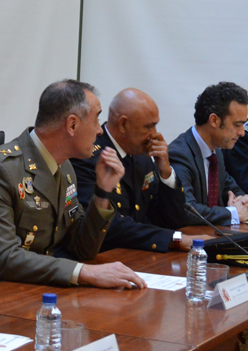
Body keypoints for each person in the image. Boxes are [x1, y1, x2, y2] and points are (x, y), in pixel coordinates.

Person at [0, 79, 147, 289]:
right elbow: (5, 258)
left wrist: (102, 192)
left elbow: (82, 248)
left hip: (33, 289)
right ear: (72, 125)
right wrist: (84, 272)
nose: (100, 131)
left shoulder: (64, 167)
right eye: (96, 120)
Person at [72, 88, 207, 252]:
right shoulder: (89, 157)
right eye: (149, 127)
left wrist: (166, 173)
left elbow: (171, 219)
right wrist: (174, 239)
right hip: (106, 256)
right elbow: (109, 225)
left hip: (139, 253)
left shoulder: (141, 156)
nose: (154, 134)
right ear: (123, 124)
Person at [169, 82, 248, 225]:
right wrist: (233, 213)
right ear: (214, 120)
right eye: (237, 125)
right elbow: (187, 210)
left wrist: (245, 203)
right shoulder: (179, 154)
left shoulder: (216, 152)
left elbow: (231, 188)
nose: (242, 133)